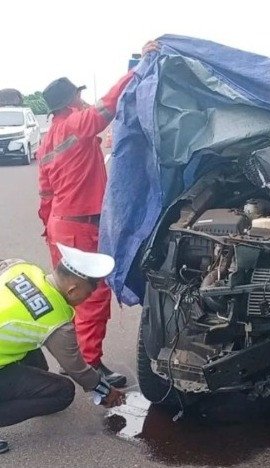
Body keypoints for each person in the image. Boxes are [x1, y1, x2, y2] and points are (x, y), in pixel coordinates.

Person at [36, 41, 159, 387]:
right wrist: (139, 67)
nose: (82, 100)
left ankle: (71, 357)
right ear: (71, 101)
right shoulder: (76, 124)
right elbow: (108, 106)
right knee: (92, 294)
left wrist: (48, 225)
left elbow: (45, 192)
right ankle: (88, 363)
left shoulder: (48, 139)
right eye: (78, 96)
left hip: (60, 225)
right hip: (80, 226)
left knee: (66, 293)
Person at [0, 243, 126, 454]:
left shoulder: (21, 267)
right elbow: (77, 369)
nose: (87, 299)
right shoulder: (57, 322)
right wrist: (105, 391)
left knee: (36, 361)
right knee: (62, 391)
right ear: (72, 289)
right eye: (87, 294)